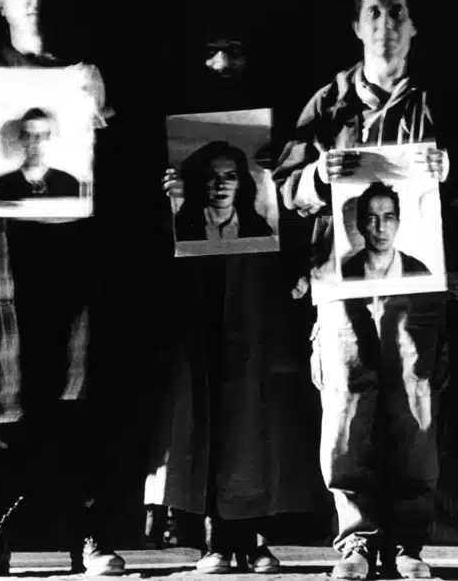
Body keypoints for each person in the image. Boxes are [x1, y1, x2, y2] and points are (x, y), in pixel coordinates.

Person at [0, 0, 123, 576]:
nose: (35, 1)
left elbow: (123, 182)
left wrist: (105, 119)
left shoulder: (86, 83)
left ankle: (90, 537)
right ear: (2, 3)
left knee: (80, 403)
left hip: (72, 267)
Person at [275, 0, 450, 580]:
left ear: (414, 24)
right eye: (373, 13)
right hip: (339, 280)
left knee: (413, 404)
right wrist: (316, 181)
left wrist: (449, 167)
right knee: (346, 403)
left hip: (416, 282)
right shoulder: (328, 102)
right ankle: (355, 538)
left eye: (397, 12)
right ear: (356, 26)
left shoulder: (438, 99)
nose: (385, 23)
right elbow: (284, 188)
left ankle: (408, 543)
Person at [144, 29, 326, 574]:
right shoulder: (175, 119)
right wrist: (171, 201)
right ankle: (212, 535)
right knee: (201, 405)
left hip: (257, 282)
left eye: (237, 51)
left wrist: (281, 179)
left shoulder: (282, 122)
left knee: (255, 406)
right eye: (211, 51)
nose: (223, 62)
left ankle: (254, 531)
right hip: (196, 286)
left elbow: (299, 203)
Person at [173, 140, 274, 242]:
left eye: (230, 176)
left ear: (240, 183)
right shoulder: (179, 227)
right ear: (200, 182)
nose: (221, 185)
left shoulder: (259, 228)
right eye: (211, 176)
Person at [340, 181, 430, 280]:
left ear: (397, 224)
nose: (381, 228)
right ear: (360, 226)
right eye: (372, 219)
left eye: (388, 218)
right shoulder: (345, 272)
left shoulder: (419, 271)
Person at [0, 107, 81, 201]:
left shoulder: (69, 183)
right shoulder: (3, 185)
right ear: (22, 140)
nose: (37, 143)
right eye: (31, 136)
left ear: (49, 139)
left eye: (43, 136)